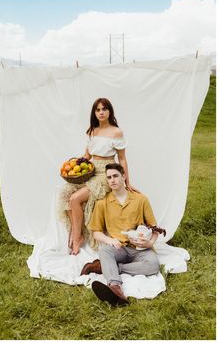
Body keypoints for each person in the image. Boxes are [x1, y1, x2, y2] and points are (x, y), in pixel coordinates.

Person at [58, 98, 138, 255]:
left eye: (104, 109)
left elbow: (122, 159)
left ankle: (76, 238)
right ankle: (76, 233)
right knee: (65, 193)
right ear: (94, 113)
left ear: (109, 112)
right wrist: (73, 167)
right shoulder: (93, 131)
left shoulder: (116, 132)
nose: (101, 112)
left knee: (75, 199)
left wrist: (126, 180)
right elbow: (87, 156)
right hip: (92, 170)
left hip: (106, 173)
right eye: (98, 110)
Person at [80, 163, 160, 306]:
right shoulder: (102, 203)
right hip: (118, 248)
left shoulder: (141, 199)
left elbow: (155, 228)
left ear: (124, 176)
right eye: (109, 177)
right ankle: (115, 288)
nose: (112, 180)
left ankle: (102, 267)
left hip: (139, 248)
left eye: (115, 176)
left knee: (153, 265)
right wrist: (109, 240)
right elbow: (96, 232)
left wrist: (150, 243)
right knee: (104, 250)